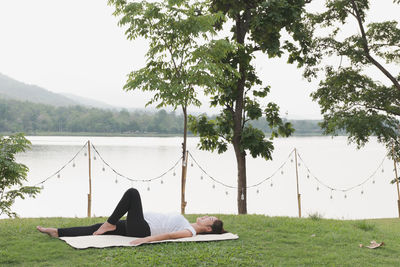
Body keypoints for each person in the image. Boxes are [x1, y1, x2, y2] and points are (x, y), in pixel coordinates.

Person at [37, 188, 226, 246]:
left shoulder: (190, 231)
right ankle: (57, 232)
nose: (206, 216)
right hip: (136, 225)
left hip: (142, 229)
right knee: (97, 225)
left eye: (209, 219)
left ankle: (109, 224)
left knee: (133, 193)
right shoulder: (188, 223)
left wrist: (146, 239)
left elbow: (169, 236)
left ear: (208, 229)